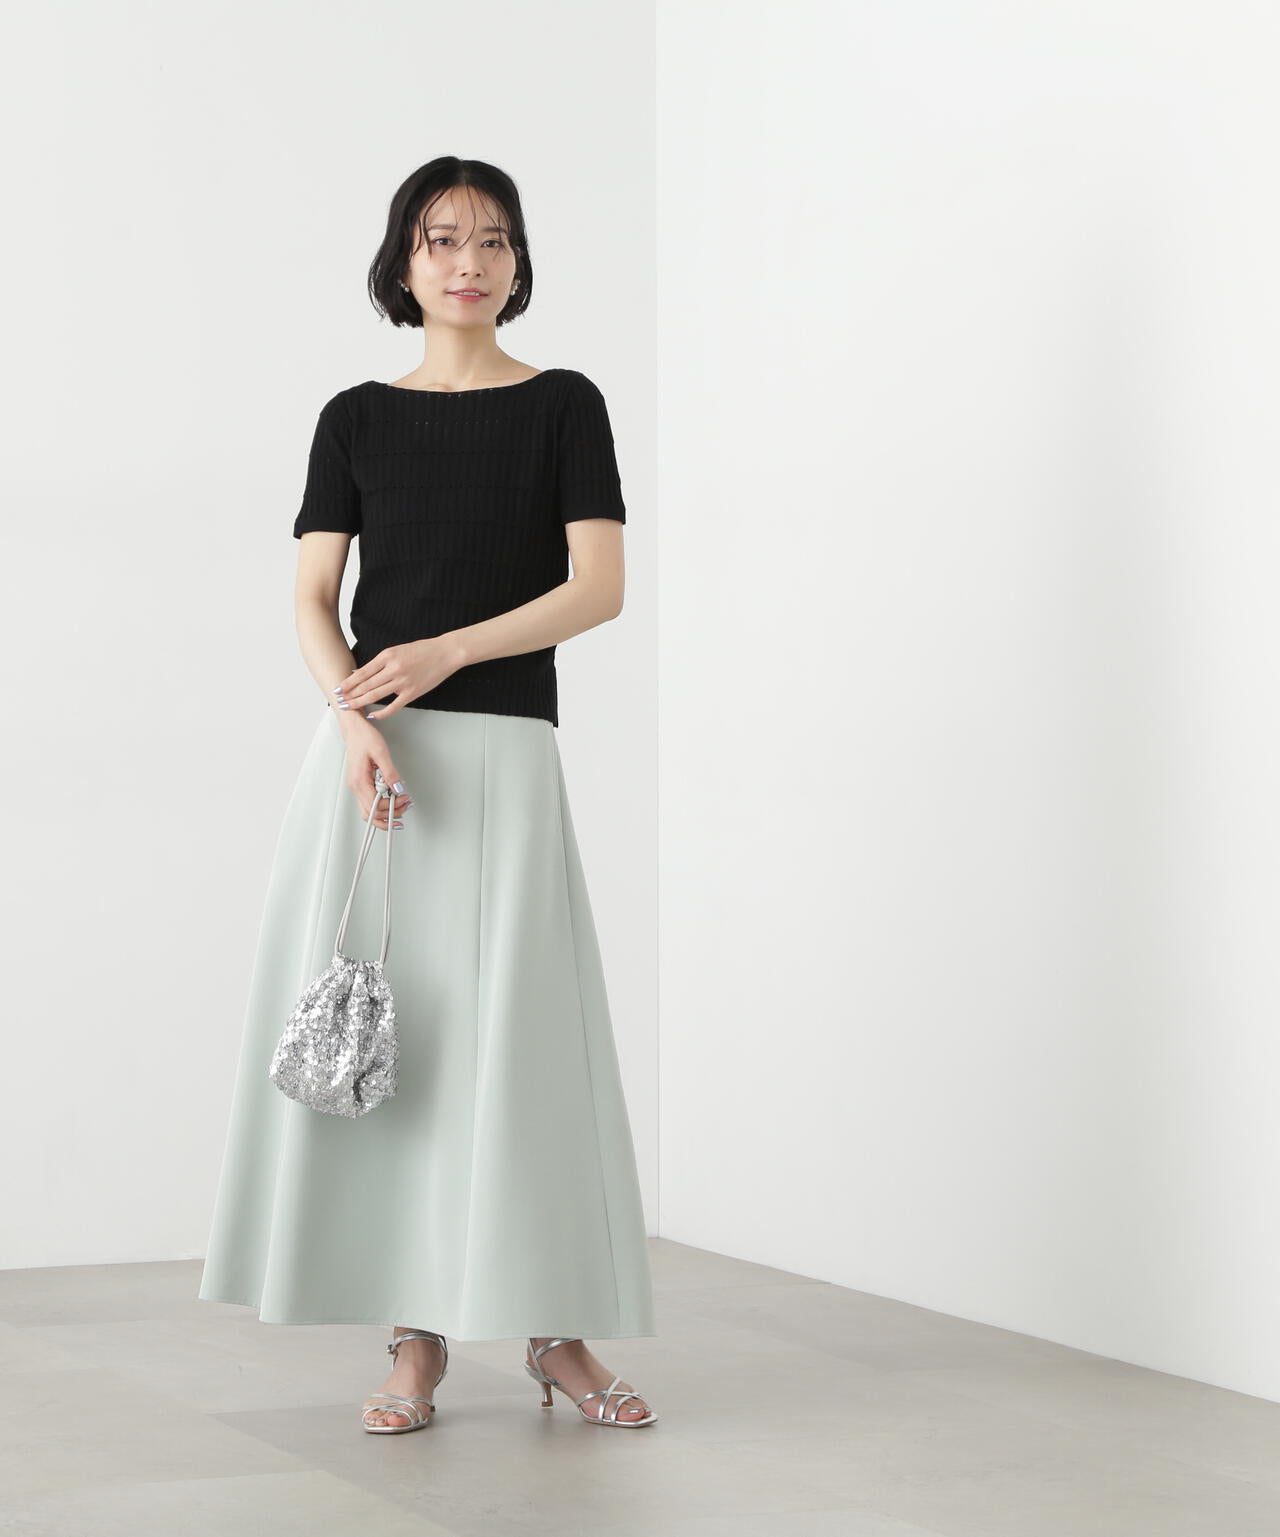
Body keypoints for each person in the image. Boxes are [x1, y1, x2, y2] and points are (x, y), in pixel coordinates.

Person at [197, 156, 657, 1433]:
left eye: (493, 240)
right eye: (443, 238)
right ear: (402, 261)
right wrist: (351, 719)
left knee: (527, 1045)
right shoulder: (354, 417)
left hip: (504, 758)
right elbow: (311, 598)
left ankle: (554, 1329)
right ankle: (414, 1337)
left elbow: (598, 587)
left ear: (518, 263)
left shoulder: (563, 405)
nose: (469, 261)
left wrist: (449, 649)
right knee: (399, 1045)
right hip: (374, 763)